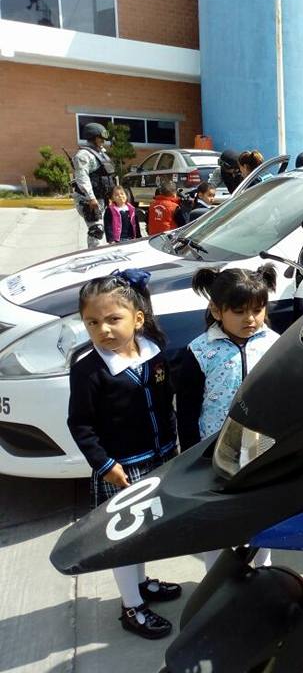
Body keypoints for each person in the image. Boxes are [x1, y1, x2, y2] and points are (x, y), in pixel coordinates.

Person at [67, 269, 181, 639]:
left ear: (138, 319)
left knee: (144, 533)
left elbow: (166, 403)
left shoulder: (154, 354)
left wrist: (174, 446)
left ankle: (141, 584)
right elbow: (80, 424)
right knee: (125, 540)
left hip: (159, 458)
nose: (103, 330)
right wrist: (104, 464)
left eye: (113, 319)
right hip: (122, 470)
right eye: (92, 322)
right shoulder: (88, 371)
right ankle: (132, 606)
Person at [175, 265, 279, 571]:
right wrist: (191, 458)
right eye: (239, 311)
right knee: (217, 521)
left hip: (261, 449)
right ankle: (217, 578)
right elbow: (187, 411)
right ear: (216, 310)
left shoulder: (275, 344)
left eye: (257, 310)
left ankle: (263, 574)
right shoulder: (200, 352)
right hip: (215, 453)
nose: (251, 319)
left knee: (260, 516)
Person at [73, 122, 117, 248]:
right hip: (88, 200)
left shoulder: (101, 153)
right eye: (100, 138)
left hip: (101, 198)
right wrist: (91, 198)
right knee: (96, 230)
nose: (103, 141)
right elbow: (82, 177)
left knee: (104, 229)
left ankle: (98, 253)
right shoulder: (83, 155)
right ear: (92, 137)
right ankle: (93, 255)